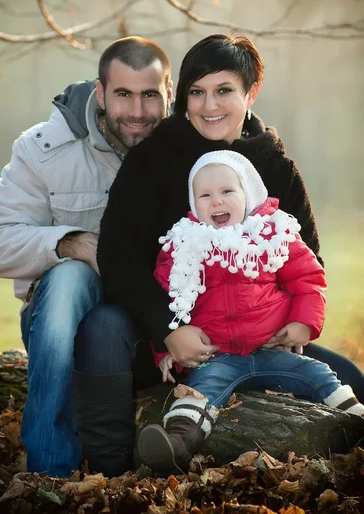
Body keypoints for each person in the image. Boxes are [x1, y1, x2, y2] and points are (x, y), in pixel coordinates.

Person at [75, 33, 364, 477]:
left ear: (251, 92)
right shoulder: (154, 158)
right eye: (197, 92)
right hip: (168, 342)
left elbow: (308, 259)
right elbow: (119, 257)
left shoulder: (275, 165)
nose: (209, 106)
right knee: (101, 325)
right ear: (183, 96)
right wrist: (169, 330)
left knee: (353, 384)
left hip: (259, 339)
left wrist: (296, 323)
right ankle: (111, 473)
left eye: (224, 90)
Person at [0, 36, 173, 477]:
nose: (137, 113)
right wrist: (72, 244)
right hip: (64, 322)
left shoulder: (187, 147)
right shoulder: (45, 149)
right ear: (100, 93)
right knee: (68, 279)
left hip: (156, 324)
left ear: (169, 94)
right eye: (123, 94)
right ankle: (49, 468)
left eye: (149, 96)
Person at [137, 150, 364, 475]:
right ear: (193, 203)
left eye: (227, 192)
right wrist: (164, 348)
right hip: (216, 357)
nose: (217, 201)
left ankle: (358, 422)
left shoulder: (271, 236)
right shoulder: (186, 244)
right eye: (205, 195)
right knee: (198, 395)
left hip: (272, 349)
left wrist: (303, 323)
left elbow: (309, 278)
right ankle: (175, 446)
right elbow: (166, 300)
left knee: (319, 376)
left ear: (247, 195)